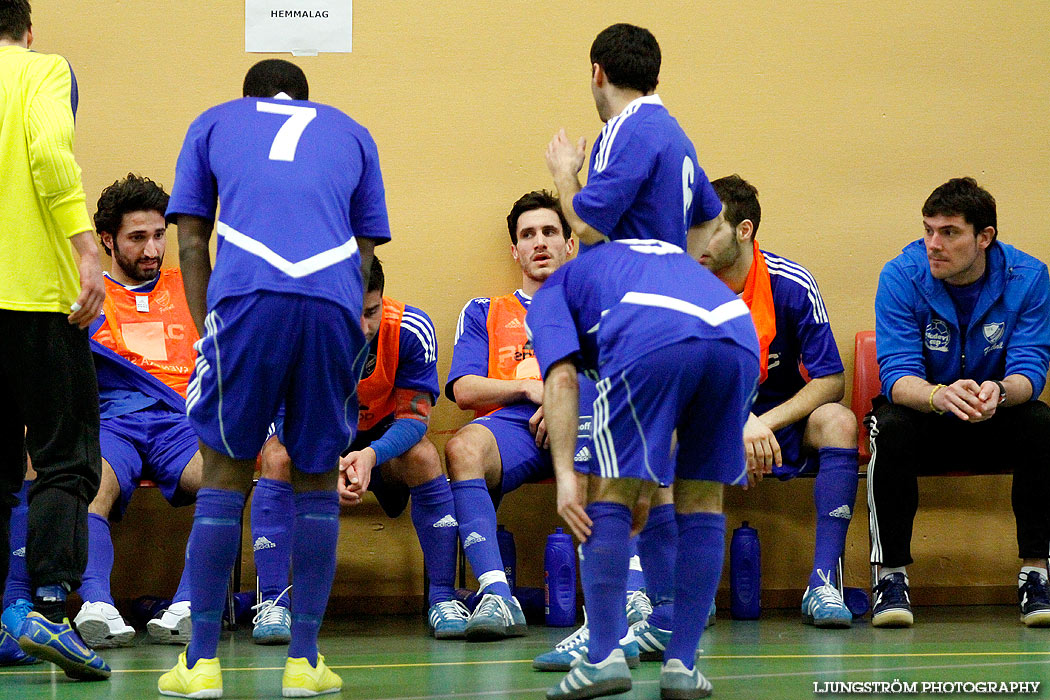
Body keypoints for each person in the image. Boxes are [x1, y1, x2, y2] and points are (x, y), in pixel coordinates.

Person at [158, 59, 390, 698]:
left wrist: (211, 324)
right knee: (317, 478)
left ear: (248, 98)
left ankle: (201, 664)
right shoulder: (351, 130)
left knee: (226, 473)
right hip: (331, 299)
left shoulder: (212, 122)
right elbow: (366, 250)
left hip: (247, 294)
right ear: (306, 101)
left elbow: (190, 242)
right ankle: (305, 663)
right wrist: (335, 306)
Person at [528, 237, 758, 700]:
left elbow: (561, 378)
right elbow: (673, 400)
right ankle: (683, 667)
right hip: (736, 332)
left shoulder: (555, 290)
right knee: (703, 499)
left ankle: (602, 658)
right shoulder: (662, 261)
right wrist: (650, 489)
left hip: (651, 335)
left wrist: (567, 477)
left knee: (607, 492)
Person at [3, 174, 204, 649]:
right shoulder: (84, 293)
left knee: (224, 481)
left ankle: (192, 605)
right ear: (107, 241)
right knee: (91, 483)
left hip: (180, 424)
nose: (152, 249)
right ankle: (96, 603)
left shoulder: (190, 289)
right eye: (138, 238)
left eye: (159, 236)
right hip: (111, 423)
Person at [869, 177, 1050, 629]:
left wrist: (1002, 392)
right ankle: (890, 578)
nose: (934, 243)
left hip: (994, 415)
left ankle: (1037, 574)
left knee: (1041, 423)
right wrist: (938, 395)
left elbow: (1032, 367)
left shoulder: (1029, 278)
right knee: (887, 427)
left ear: (984, 237)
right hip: (926, 417)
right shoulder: (900, 275)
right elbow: (895, 374)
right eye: (928, 230)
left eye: (949, 232)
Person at [252, 256, 455, 642]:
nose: (362, 327)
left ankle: (443, 598)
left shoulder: (411, 329)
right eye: (349, 313)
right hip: (318, 439)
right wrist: (328, 464)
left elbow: (414, 418)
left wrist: (370, 456)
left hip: (383, 447)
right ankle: (273, 602)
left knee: (427, 456)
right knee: (276, 455)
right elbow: (282, 418)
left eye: (371, 312)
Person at [0, 0, 110, 681]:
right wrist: (85, 249)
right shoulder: (43, 71)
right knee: (66, 460)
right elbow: (46, 150)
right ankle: (46, 606)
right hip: (39, 301)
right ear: (28, 30)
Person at [697, 175, 860, 627]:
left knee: (838, 421)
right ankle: (686, 589)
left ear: (744, 230)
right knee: (657, 426)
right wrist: (736, 422)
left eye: (708, 227)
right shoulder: (682, 286)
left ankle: (824, 582)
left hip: (778, 421)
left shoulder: (792, 283)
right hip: (706, 418)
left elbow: (831, 379)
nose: (695, 239)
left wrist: (762, 424)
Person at [443, 190, 599, 641]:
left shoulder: (593, 306)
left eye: (550, 231)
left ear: (570, 243)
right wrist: (529, 388)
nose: (539, 242)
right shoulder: (484, 310)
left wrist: (567, 402)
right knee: (461, 447)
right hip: (517, 425)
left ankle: (633, 594)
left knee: (645, 432)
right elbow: (464, 389)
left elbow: (626, 373)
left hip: (589, 420)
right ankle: (496, 595)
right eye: (527, 235)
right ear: (515, 250)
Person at [544, 23, 723, 255]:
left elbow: (586, 225)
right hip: (661, 289)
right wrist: (673, 273)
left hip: (621, 289)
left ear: (598, 73)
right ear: (655, 78)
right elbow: (711, 218)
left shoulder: (626, 129)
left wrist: (564, 173)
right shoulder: (677, 137)